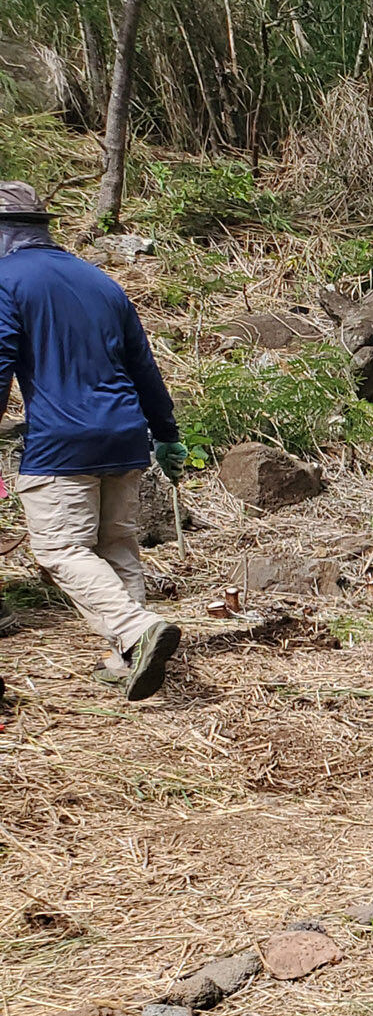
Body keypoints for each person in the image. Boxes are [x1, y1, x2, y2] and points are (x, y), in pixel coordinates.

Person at [0, 180, 187, 700]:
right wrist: (167, 436)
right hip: (127, 437)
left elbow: (0, 362)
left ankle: (136, 630)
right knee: (116, 545)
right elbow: (143, 368)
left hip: (63, 441)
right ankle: (126, 659)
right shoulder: (101, 281)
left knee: (60, 548)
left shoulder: (5, 279)